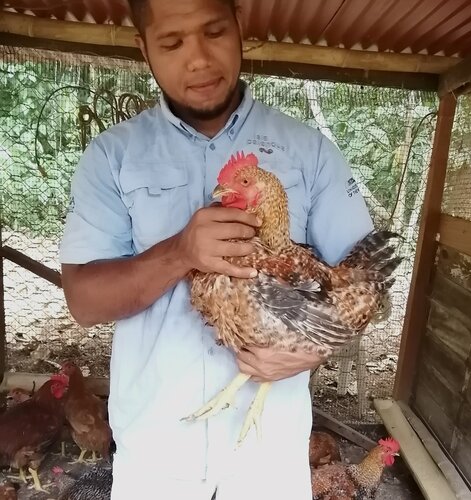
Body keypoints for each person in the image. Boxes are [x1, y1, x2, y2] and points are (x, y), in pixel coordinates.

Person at [59, 0, 373, 498]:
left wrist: (311, 351)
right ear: (143, 48)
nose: (200, 58)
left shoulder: (308, 151)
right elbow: (82, 301)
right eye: (172, 42)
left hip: (269, 455)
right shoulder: (112, 157)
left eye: (214, 32)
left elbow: (364, 285)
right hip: (155, 451)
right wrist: (180, 252)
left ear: (240, 27)